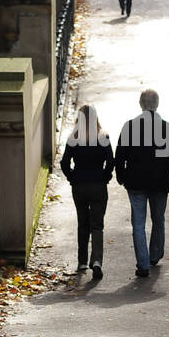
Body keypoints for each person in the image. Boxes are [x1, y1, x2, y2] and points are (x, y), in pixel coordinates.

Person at [114, 88, 169, 277]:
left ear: (140, 104)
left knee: (138, 223)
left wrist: (121, 176)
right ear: (157, 104)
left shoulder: (130, 126)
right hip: (160, 181)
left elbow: (120, 155)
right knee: (158, 218)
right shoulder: (166, 128)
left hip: (135, 181)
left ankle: (142, 264)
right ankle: (155, 254)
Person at [61, 104, 114, 279]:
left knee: (82, 222)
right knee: (97, 225)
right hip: (98, 185)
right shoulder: (103, 136)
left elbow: (64, 163)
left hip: (80, 186)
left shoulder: (73, 138)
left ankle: (82, 261)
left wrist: (72, 177)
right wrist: (105, 177)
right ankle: (97, 260)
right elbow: (110, 161)